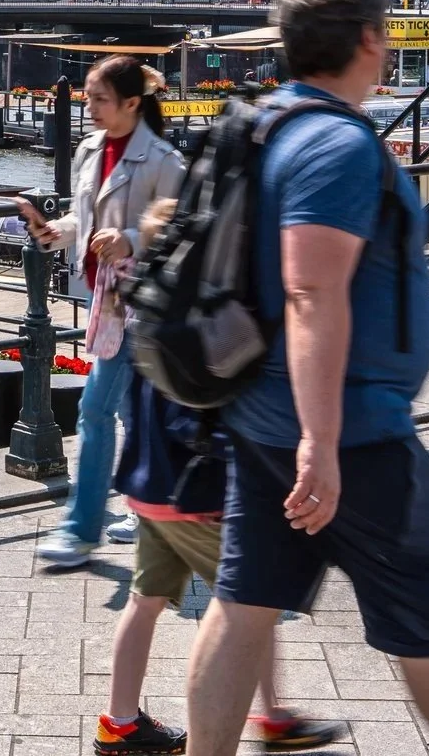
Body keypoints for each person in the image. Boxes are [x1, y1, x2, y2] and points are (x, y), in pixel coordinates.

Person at [184, 0, 429, 756]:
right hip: (346, 433)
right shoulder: (336, 146)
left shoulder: (267, 125)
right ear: (367, 38)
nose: (390, 45)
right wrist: (320, 445)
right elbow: (312, 293)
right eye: (387, 31)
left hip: (261, 413)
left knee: (243, 600)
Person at [96, 201, 343, 755]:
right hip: (193, 497)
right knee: (247, 602)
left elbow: (135, 410)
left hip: (147, 489)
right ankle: (276, 718)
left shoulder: (147, 315)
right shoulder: (199, 324)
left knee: (145, 601)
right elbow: (202, 420)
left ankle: (119, 721)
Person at [24, 55, 185, 570]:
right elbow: (82, 215)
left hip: (145, 305)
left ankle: (81, 528)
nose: (89, 106)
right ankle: (154, 506)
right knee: (136, 410)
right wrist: (57, 232)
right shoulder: (91, 150)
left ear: (132, 104)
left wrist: (132, 239)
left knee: (96, 409)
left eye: (99, 98)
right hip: (108, 302)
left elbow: (185, 230)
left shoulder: (163, 160)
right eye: (88, 97)